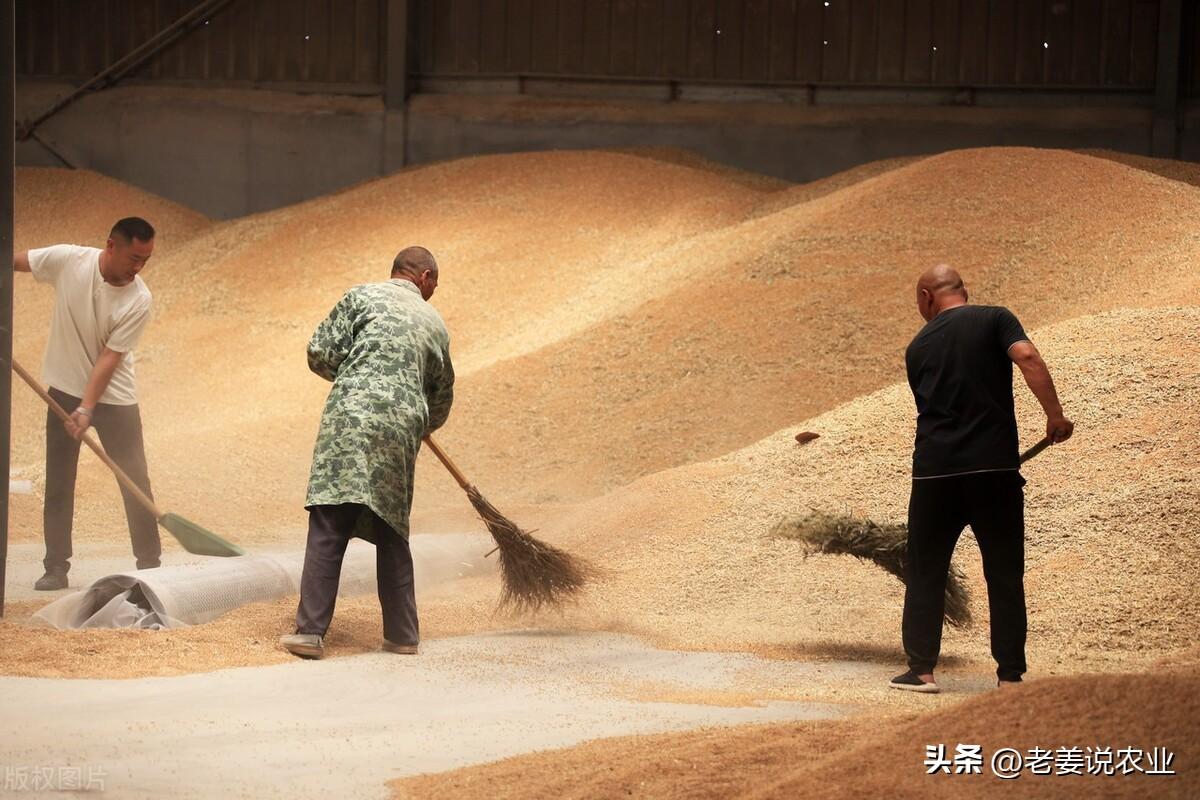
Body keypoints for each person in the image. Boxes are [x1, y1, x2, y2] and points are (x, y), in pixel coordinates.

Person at [890, 264, 1073, 693]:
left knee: (927, 571)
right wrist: (1054, 415)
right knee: (1004, 573)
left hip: (935, 474)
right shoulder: (995, 318)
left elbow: (930, 408)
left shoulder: (917, 348)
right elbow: (1026, 356)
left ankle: (921, 671)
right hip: (993, 470)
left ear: (925, 297)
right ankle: (1009, 675)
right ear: (963, 291)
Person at [280, 246, 454, 660]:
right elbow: (442, 394)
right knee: (392, 529)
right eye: (435, 284)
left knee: (330, 520)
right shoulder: (434, 322)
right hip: (400, 427)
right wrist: (420, 422)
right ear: (425, 276)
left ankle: (310, 633)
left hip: (349, 418)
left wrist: (358, 374)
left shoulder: (361, 296)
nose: (434, 291)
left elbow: (319, 351)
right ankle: (402, 635)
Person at [15, 217, 163, 590]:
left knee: (133, 479)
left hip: (115, 399)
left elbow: (109, 359)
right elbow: (18, 261)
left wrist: (87, 407)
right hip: (63, 389)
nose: (138, 268)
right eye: (134, 258)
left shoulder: (139, 299)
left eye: (145, 260)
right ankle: (56, 568)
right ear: (110, 246)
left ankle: (150, 564)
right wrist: (78, 403)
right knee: (59, 481)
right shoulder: (68, 260)